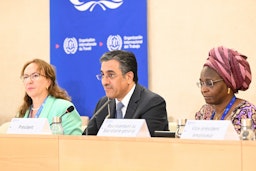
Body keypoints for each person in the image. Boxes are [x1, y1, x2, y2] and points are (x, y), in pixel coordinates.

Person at [83, 50, 169, 136]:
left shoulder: (152, 103)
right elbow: (86, 138)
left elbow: (151, 145)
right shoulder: (103, 104)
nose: (104, 82)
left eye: (111, 75)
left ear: (129, 77)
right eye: (103, 75)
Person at [195, 46, 256, 134]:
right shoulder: (204, 112)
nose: (203, 89)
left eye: (210, 83)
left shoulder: (247, 113)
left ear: (228, 84)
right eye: (201, 83)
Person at [17, 58, 82, 135]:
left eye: (35, 75)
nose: (29, 81)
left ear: (48, 81)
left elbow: (74, 142)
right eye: (25, 77)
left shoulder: (64, 108)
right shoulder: (22, 112)